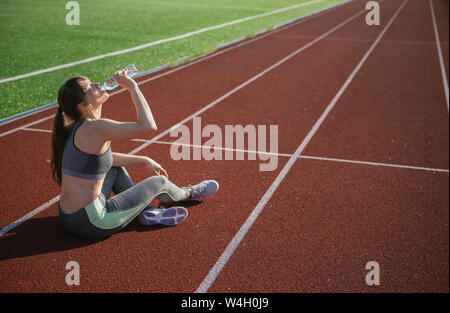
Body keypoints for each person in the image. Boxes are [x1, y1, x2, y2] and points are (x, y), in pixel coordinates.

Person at [50, 69, 219, 239]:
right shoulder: (97, 128)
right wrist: (132, 87)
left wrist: (143, 159)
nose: (96, 84)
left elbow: (103, 161)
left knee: (115, 169)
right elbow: (148, 127)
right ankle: (189, 193)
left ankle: (148, 212)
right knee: (159, 182)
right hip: (92, 223)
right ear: (83, 106)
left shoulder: (76, 127)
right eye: (89, 87)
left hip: (68, 217)